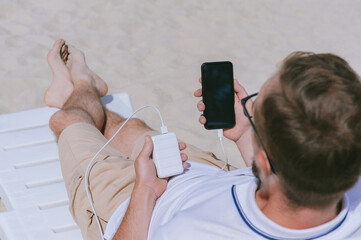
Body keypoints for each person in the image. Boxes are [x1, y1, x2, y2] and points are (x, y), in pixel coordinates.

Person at [45, 39, 361, 240]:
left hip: (135, 203)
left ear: (265, 160)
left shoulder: (190, 233)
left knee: (68, 122)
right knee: (128, 127)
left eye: (255, 108)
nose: (249, 108)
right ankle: (85, 95)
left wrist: (144, 190)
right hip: (211, 177)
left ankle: (81, 85)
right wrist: (245, 134)